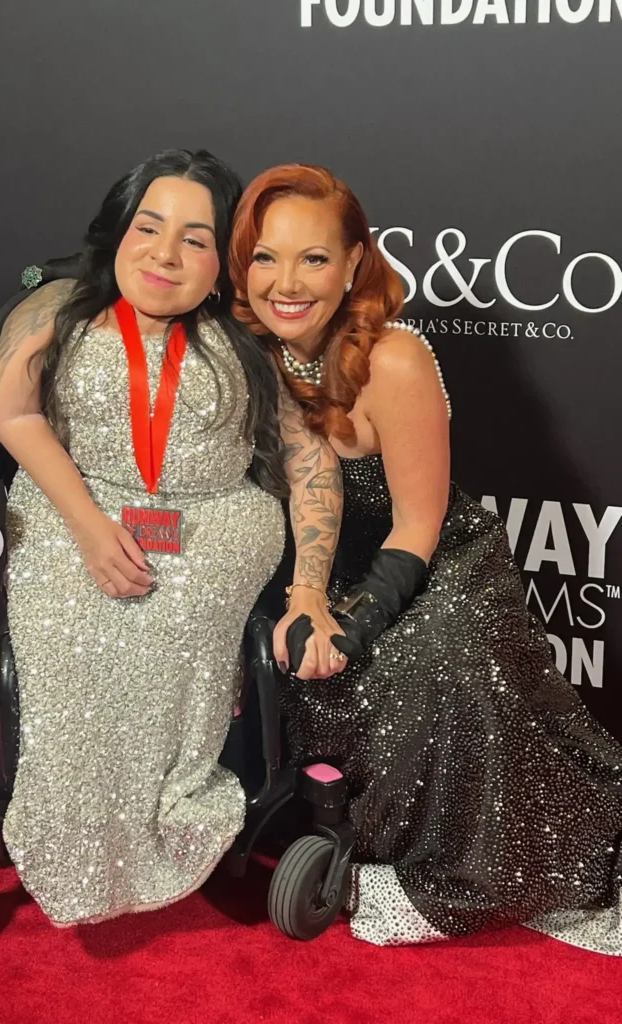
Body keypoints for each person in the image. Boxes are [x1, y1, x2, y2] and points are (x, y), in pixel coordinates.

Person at [228, 163, 622, 955]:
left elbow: (417, 524)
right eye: (266, 257)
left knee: (438, 663)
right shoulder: (238, 355)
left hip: (432, 563)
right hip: (309, 562)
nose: (287, 281)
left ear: (352, 264)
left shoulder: (395, 359)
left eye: (313, 258)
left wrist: (357, 623)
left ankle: (462, 870)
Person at [0, 150, 346, 927]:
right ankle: (69, 833)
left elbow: (309, 458)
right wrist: (87, 526)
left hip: (213, 523)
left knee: (180, 632)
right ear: (119, 230)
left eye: (195, 238)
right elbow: (7, 408)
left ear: (223, 263)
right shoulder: (60, 305)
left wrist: (309, 586)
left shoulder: (249, 332)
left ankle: (181, 810)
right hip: (74, 506)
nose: (164, 252)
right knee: (74, 636)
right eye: (148, 226)